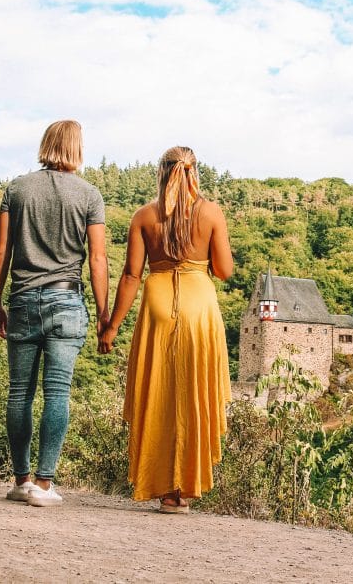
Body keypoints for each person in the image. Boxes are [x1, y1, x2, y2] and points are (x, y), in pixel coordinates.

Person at [98, 146, 233, 513]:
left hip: (156, 304)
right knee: (193, 392)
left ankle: (161, 487)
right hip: (199, 307)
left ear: (161, 172)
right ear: (195, 174)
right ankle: (183, 490)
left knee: (158, 392)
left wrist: (110, 328)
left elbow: (130, 276)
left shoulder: (144, 216)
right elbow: (223, 271)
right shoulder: (211, 213)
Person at [0, 120, 109, 507]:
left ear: (46, 144)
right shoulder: (89, 195)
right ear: (77, 148)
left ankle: (21, 479)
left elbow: (1, 251)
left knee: (19, 392)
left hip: (23, 300)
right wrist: (104, 312)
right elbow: (98, 258)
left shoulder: (17, 189)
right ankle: (43, 485)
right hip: (66, 301)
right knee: (57, 391)